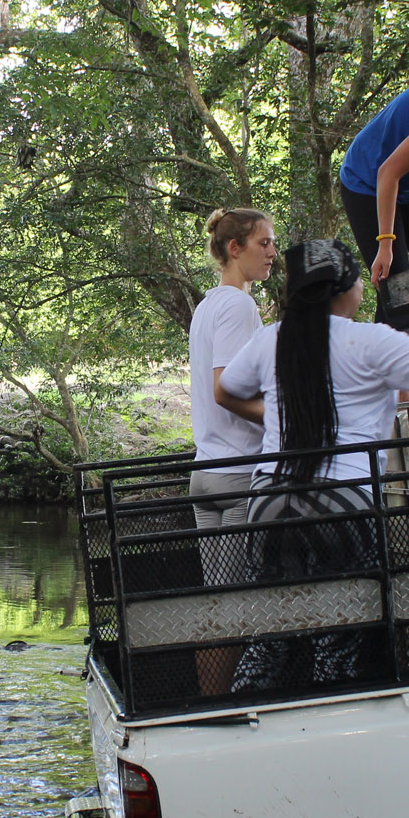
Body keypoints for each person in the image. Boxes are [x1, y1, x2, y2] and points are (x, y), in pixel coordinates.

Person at [215, 238, 409, 689]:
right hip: (341, 501)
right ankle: (337, 717)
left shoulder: (270, 339)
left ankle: (251, 713)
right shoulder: (368, 340)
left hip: (267, 500)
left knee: (270, 635)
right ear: (346, 290)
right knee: (342, 639)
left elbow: (225, 391)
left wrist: (275, 419)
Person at [188, 208, 276, 566]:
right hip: (237, 473)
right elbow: (224, 388)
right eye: (264, 243)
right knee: (239, 601)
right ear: (235, 248)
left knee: (218, 600)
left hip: (205, 474)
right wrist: (282, 420)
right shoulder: (239, 304)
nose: (272, 253)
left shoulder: (206, 306)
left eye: (273, 244)